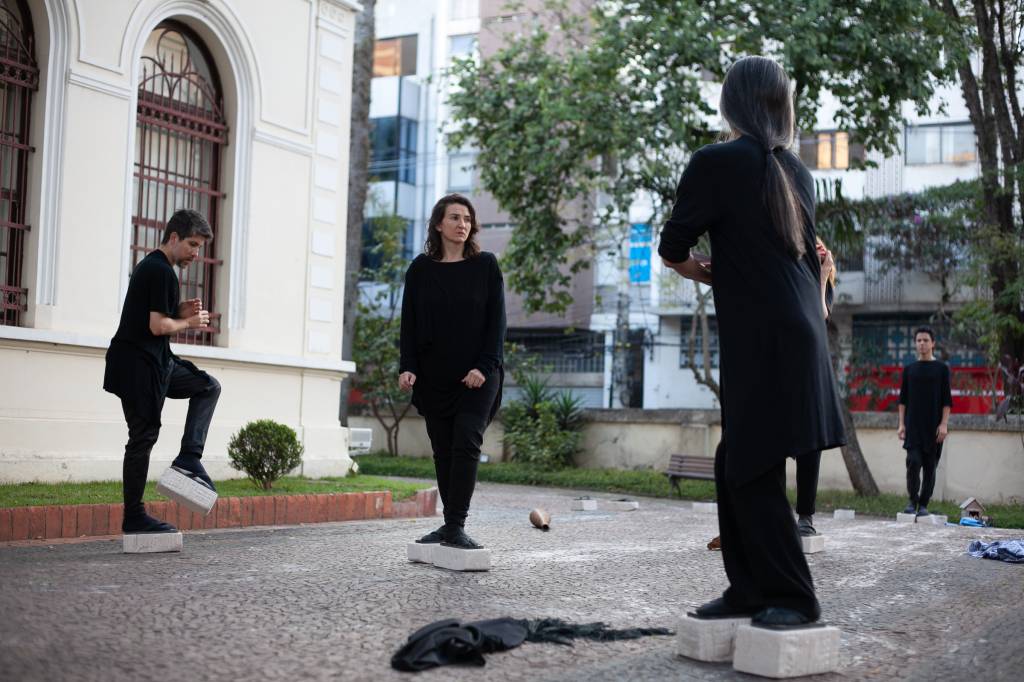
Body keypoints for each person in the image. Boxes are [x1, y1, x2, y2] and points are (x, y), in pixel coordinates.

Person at [658, 56, 846, 626]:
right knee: (733, 459)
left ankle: (794, 596)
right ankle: (745, 590)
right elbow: (806, 256)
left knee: (752, 464)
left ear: (731, 103)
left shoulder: (715, 162)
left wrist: (702, 270)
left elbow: (672, 245)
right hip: (799, 325)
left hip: (764, 330)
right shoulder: (797, 170)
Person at [103, 209, 221, 534]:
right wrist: (189, 321)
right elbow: (158, 326)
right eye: (192, 245)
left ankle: (188, 459)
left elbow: (155, 318)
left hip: (156, 362)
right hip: (138, 365)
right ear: (173, 238)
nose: (196, 254)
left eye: (199, 247)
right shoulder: (160, 270)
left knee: (207, 386)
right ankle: (134, 516)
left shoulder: (158, 267)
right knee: (142, 437)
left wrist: (178, 312)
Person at [399, 194, 506, 550]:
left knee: (466, 442)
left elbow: (497, 324)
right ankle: (448, 527)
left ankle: (456, 525)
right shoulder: (420, 269)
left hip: (478, 376)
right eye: (455, 218)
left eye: (467, 219)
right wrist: (408, 368)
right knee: (443, 450)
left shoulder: (486, 266)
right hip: (434, 378)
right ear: (439, 224)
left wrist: (483, 366)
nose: (463, 224)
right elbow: (409, 325)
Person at [793, 237, 836, 537]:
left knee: (809, 445)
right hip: (778, 363)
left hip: (808, 368)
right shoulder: (785, 271)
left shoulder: (826, 283)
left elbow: (819, 315)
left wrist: (821, 279)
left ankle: (805, 517)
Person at [897, 327, 951, 517]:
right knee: (913, 462)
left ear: (933, 343)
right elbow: (902, 400)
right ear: (915, 343)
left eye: (925, 340)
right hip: (913, 427)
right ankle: (912, 500)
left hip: (934, 429)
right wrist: (901, 424)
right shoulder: (909, 370)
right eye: (919, 340)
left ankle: (924, 504)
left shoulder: (942, 369)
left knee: (930, 467)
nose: (922, 343)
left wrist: (944, 424)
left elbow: (946, 401)